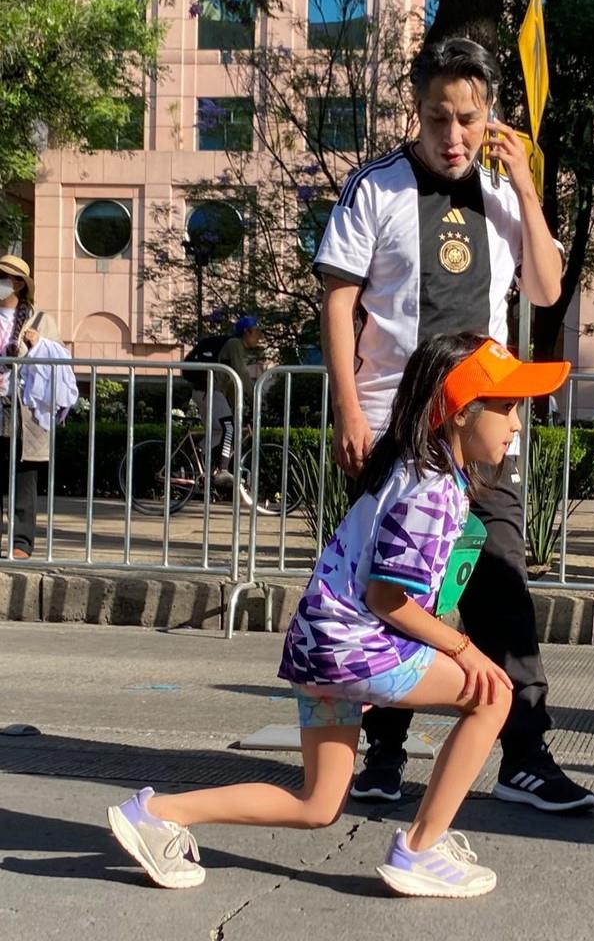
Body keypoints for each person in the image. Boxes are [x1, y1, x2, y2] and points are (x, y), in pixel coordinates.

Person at [107, 334, 570, 897]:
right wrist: (462, 648)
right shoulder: (434, 489)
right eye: (505, 407)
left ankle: (157, 813)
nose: (516, 423)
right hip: (357, 646)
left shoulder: (405, 466)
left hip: (322, 645)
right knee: (494, 694)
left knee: (318, 804)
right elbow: (387, 599)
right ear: (460, 409)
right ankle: (421, 849)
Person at [314, 38, 594, 812]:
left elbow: (545, 288)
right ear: (417, 107)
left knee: (500, 583)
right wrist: (346, 410)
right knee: (401, 590)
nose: (453, 134)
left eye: (468, 118)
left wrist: (531, 189)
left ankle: (525, 755)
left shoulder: (503, 195)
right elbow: (339, 302)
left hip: (483, 432)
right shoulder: (375, 187)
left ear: (489, 117)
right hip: (391, 427)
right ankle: (384, 756)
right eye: (439, 115)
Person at [0, 255, 63, 560]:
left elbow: (61, 365)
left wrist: (39, 344)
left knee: (24, 475)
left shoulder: (41, 320)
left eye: (6, 276)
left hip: (24, 409)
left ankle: (21, 542)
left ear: (20, 283)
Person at [209, 316, 263, 490]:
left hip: (217, 392)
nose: (259, 336)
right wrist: (256, 395)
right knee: (229, 427)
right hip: (209, 392)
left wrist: (240, 407)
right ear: (246, 332)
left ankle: (200, 462)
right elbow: (241, 374)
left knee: (219, 432)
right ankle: (223, 469)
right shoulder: (235, 344)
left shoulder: (239, 348)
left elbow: (232, 384)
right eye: (256, 332)